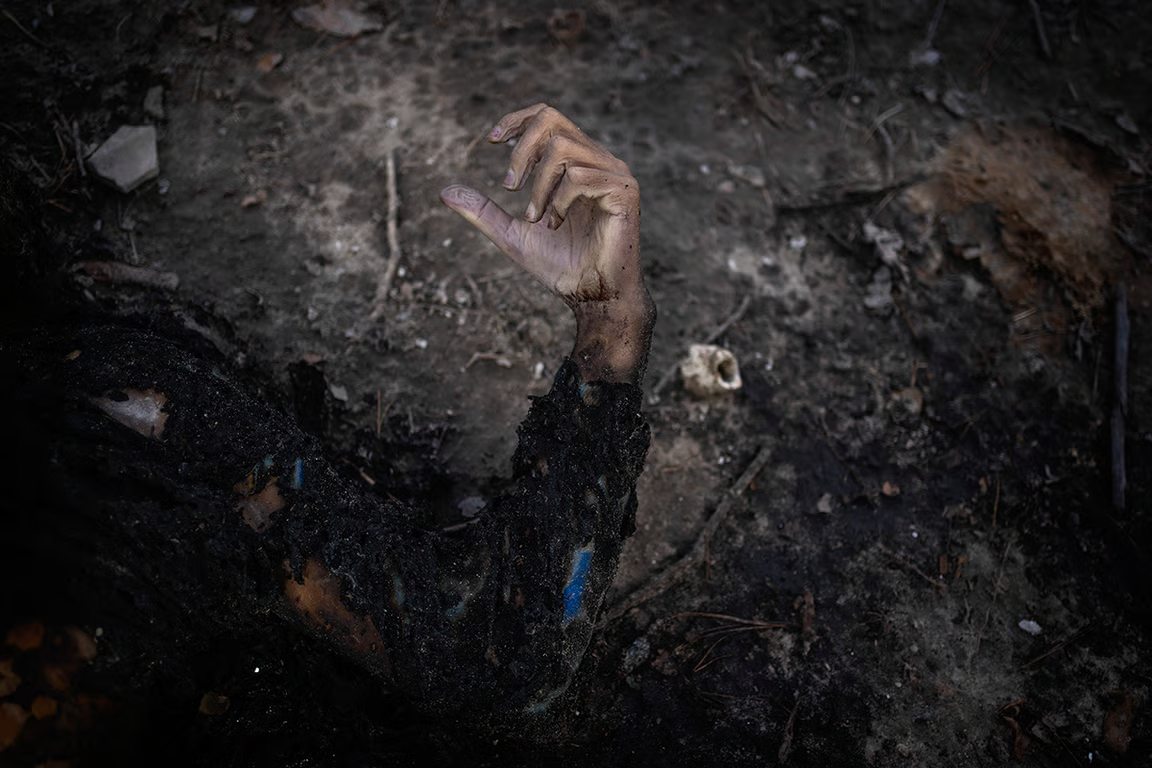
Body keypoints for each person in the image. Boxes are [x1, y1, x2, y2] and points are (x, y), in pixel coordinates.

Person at [0, 105, 656, 751]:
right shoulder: (108, 427)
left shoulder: (103, 428)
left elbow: (499, 658)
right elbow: (501, 663)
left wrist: (611, 326)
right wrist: (612, 325)